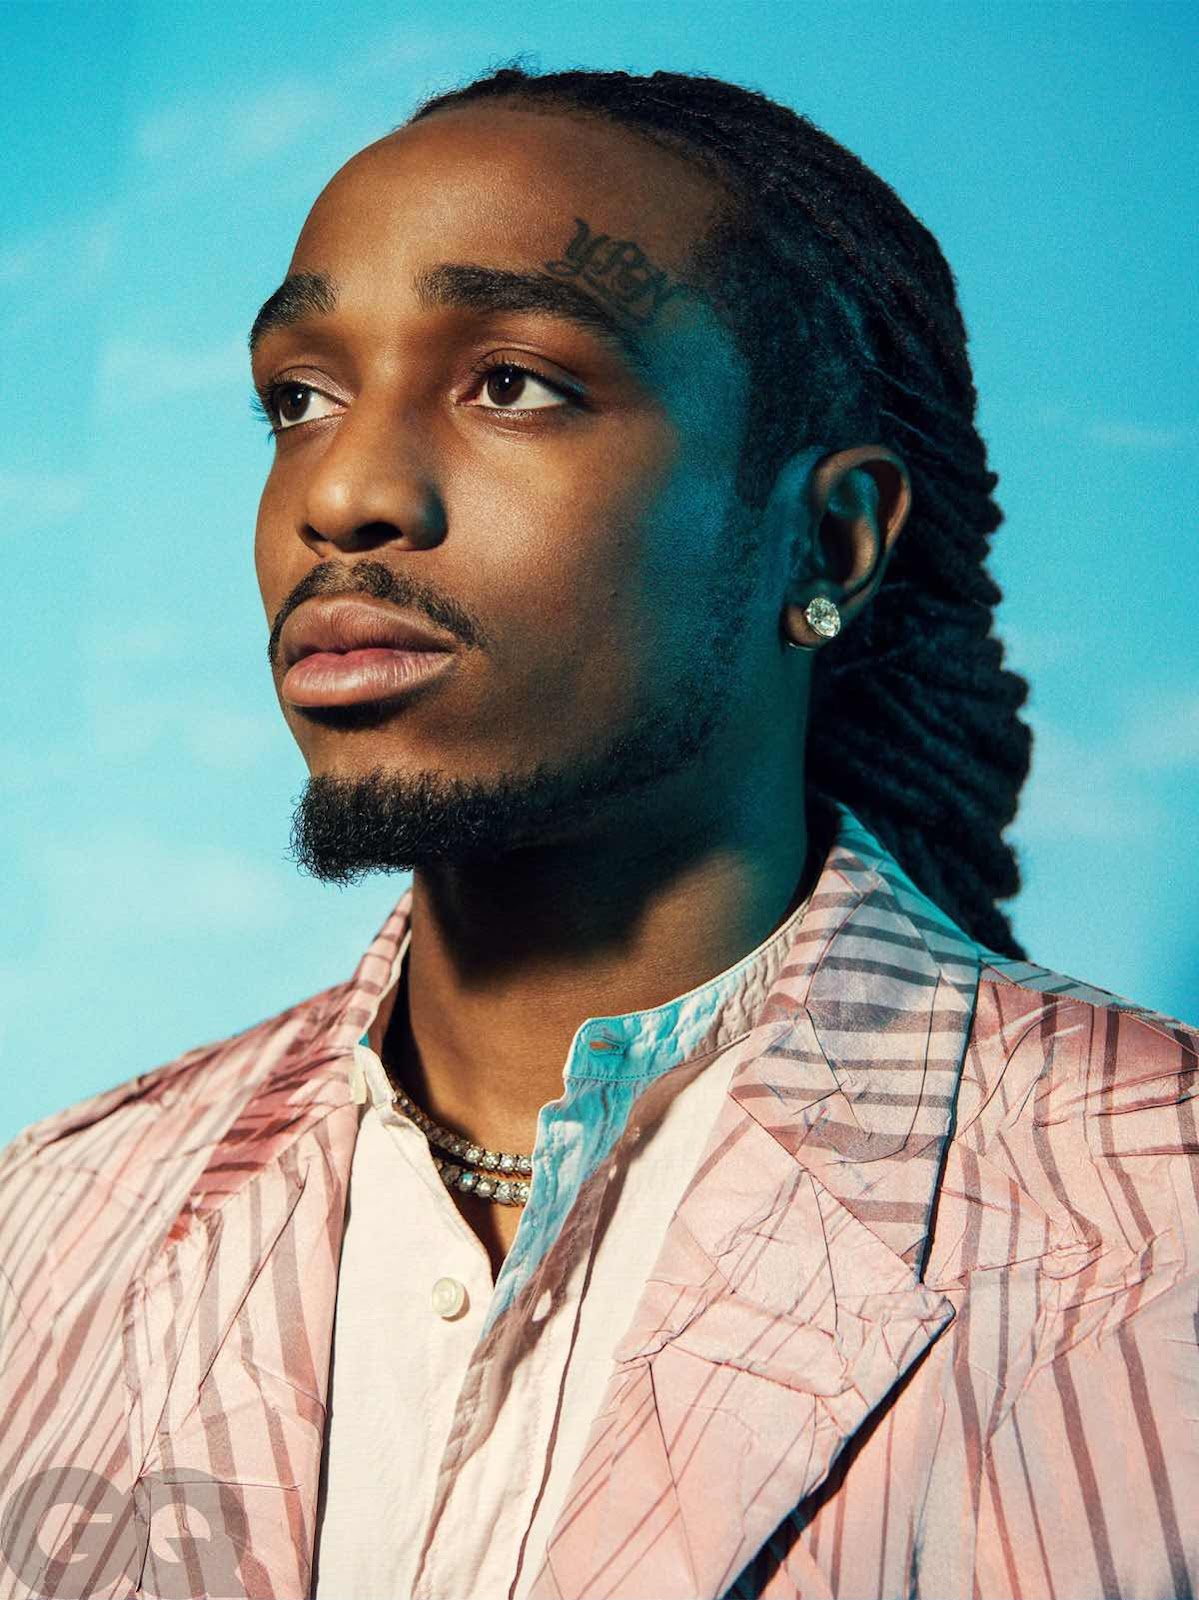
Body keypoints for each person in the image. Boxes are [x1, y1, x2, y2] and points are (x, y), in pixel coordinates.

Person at [0, 63, 1195, 1600]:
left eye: (515, 383)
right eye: (299, 399)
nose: (342, 491)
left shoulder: (1166, 1220)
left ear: (829, 541)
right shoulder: (51, 1226)